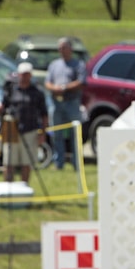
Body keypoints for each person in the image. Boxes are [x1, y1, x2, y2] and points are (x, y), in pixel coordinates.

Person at [0, 62, 48, 183]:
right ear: (18, 75)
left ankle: (24, 188)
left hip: (30, 130)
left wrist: (43, 133)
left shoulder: (37, 92)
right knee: (9, 161)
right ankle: (8, 189)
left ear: (31, 75)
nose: (25, 77)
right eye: (23, 74)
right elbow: (3, 107)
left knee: (26, 162)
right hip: (12, 130)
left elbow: (44, 114)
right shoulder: (11, 91)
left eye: (27, 74)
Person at [44, 37, 86, 170]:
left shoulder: (78, 64)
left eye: (64, 48)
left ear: (70, 49)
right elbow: (47, 82)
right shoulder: (54, 65)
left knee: (75, 133)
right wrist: (54, 88)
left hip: (72, 102)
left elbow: (81, 82)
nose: (61, 50)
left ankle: (76, 163)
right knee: (57, 134)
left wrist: (64, 88)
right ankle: (59, 162)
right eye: (60, 48)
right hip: (56, 103)